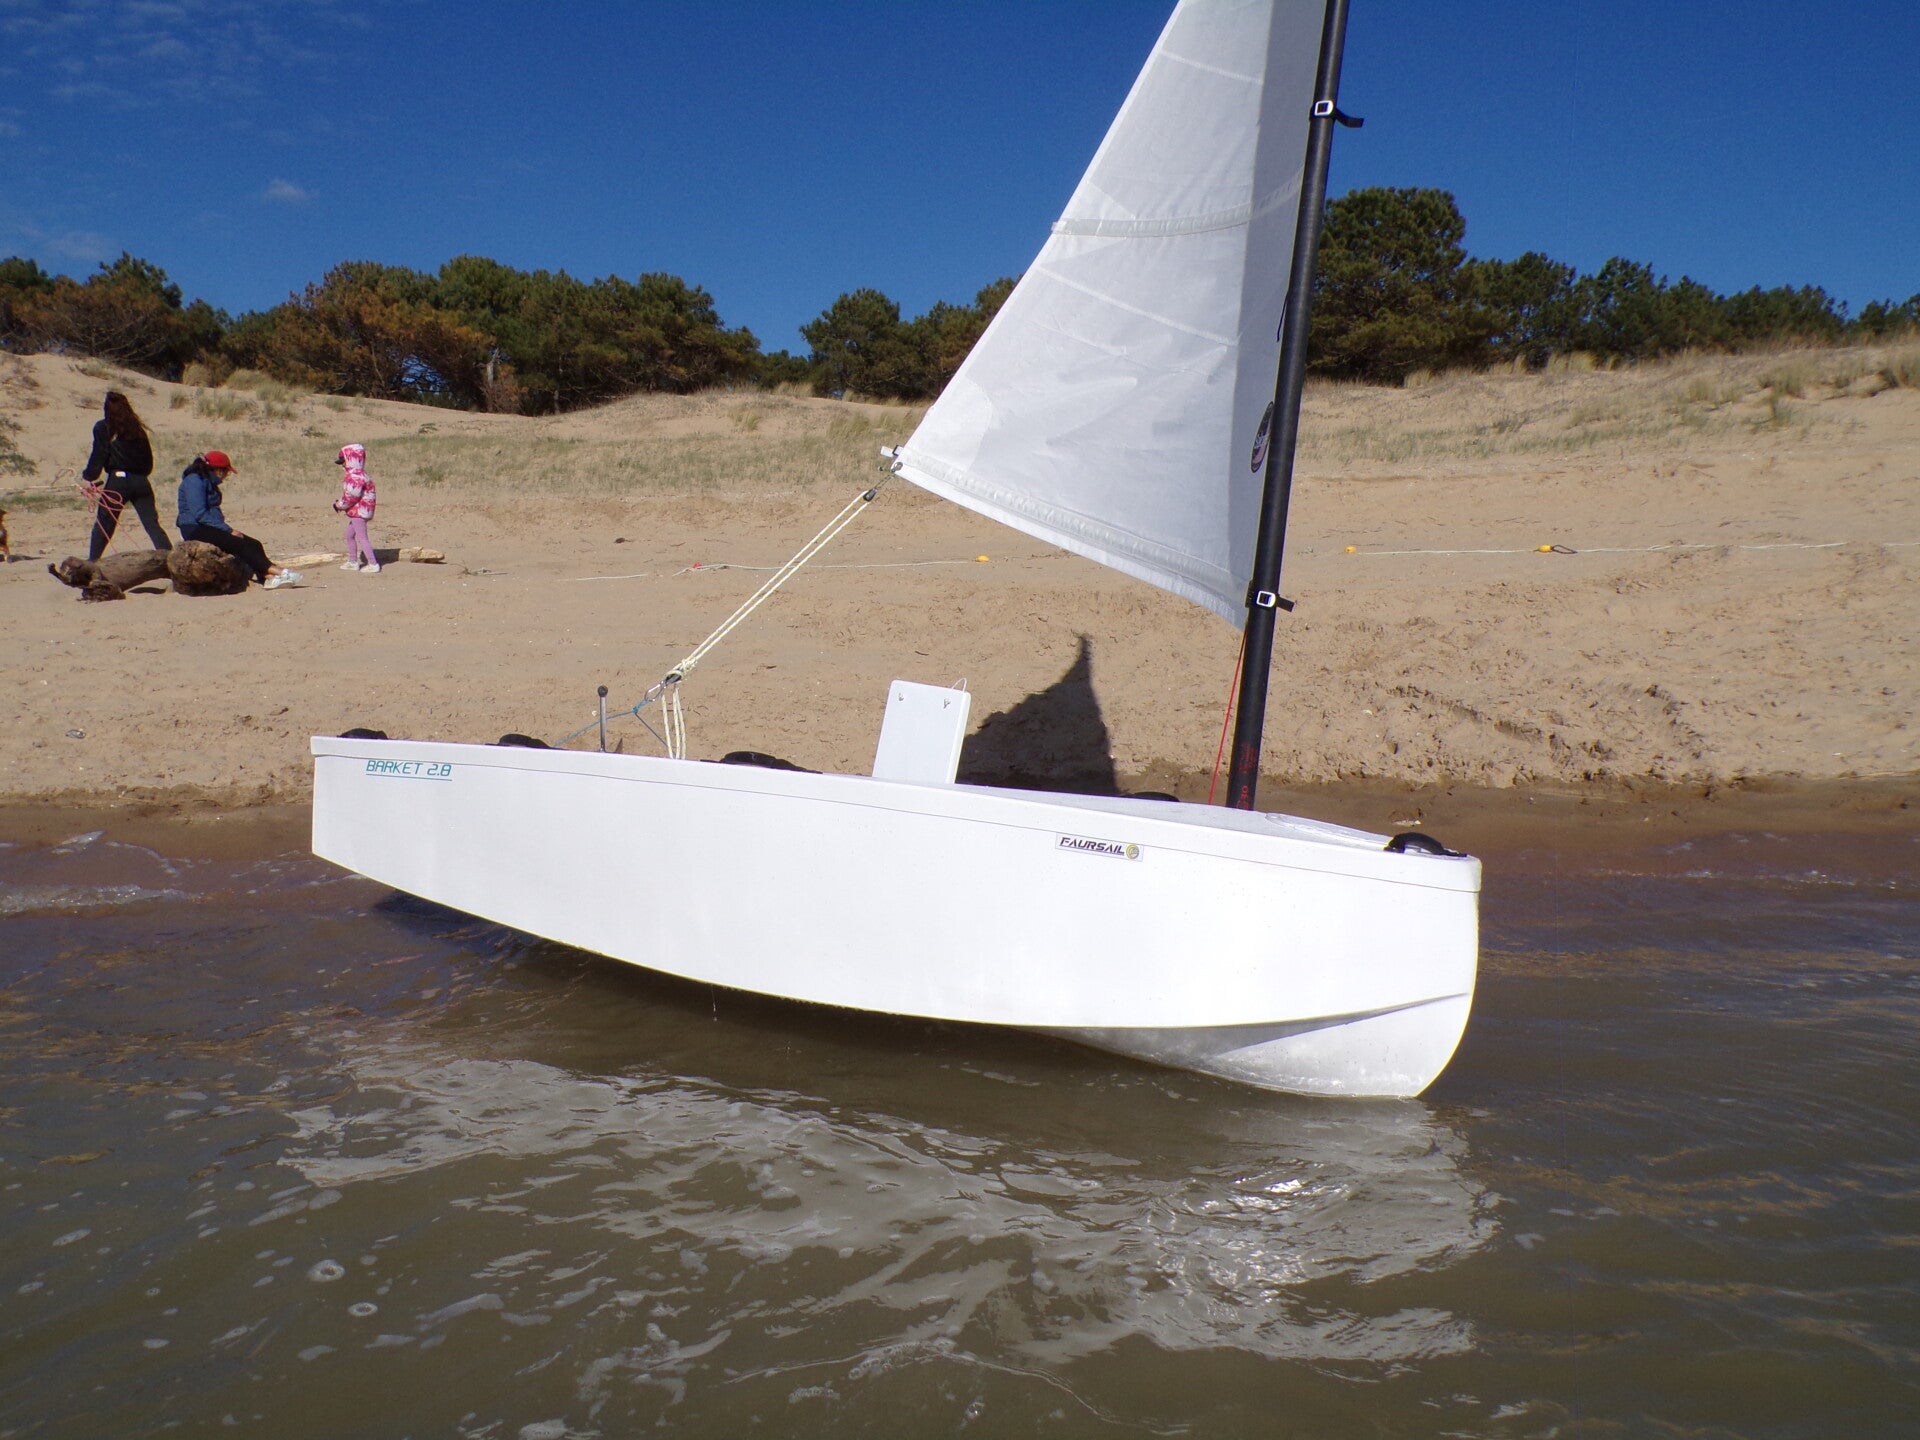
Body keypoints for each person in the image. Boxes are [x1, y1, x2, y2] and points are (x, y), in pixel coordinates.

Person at [176, 451, 304, 590]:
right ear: (218, 470)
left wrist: (224, 529)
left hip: (208, 526)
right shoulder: (194, 481)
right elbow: (200, 514)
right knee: (239, 544)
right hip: (194, 528)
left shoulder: (208, 482)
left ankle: (268, 577)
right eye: (226, 472)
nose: (226, 476)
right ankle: (279, 572)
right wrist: (228, 530)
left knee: (254, 544)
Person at [80, 391, 173, 561]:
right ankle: (171, 558)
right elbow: (148, 463)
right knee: (152, 524)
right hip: (141, 482)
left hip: (118, 482)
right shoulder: (138, 430)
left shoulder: (103, 427)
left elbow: (99, 454)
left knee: (104, 525)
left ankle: (92, 562)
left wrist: (88, 477)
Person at [332, 443, 380, 572]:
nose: (342, 465)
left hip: (360, 512)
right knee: (349, 535)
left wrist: (339, 505)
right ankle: (352, 561)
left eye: (343, 461)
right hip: (360, 511)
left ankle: (373, 563)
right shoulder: (360, 474)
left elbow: (351, 496)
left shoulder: (354, 476)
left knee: (362, 538)